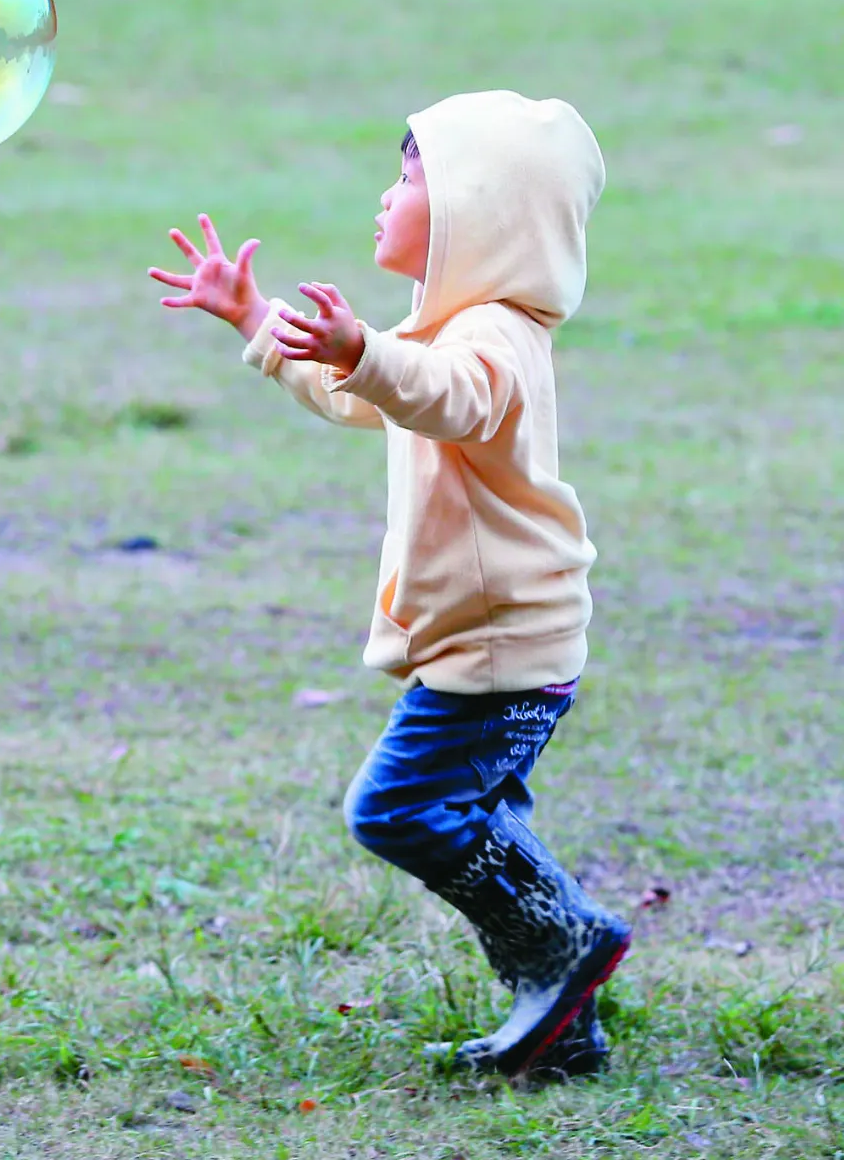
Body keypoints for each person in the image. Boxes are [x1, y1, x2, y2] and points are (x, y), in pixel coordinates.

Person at [147, 89, 631, 1080]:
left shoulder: (493, 337)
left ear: (476, 214)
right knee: (484, 818)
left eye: (410, 176)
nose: (385, 193)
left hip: (500, 646)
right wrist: (256, 315)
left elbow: (441, 393)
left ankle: (562, 941)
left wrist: (369, 352)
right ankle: (564, 1023)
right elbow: (368, 393)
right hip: (495, 636)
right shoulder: (445, 324)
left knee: (399, 806)